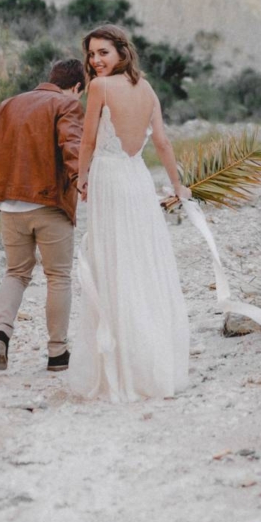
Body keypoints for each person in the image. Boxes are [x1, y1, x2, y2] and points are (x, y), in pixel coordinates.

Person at [70, 24, 191, 402]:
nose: (95, 60)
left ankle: (123, 368)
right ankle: (150, 362)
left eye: (103, 52)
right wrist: (177, 185)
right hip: (137, 179)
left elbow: (88, 140)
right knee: (140, 261)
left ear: (123, 52)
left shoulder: (100, 88)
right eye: (91, 54)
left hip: (110, 178)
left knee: (116, 263)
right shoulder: (148, 88)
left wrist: (81, 179)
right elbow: (162, 142)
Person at [0, 57, 85, 373]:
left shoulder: (9, 104)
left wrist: (0, 192)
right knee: (58, 276)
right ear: (77, 87)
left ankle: (1, 334)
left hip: (10, 205)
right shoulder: (66, 105)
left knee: (16, 272)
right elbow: (72, 147)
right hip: (50, 205)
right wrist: (83, 183)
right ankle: (57, 353)